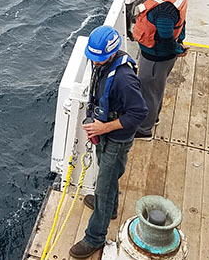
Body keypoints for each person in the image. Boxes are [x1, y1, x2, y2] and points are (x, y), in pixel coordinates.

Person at [69, 25, 148, 258]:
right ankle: (111, 208)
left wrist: (105, 127)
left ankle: (94, 237)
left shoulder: (124, 80)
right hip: (104, 135)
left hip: (116, 140)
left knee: (103, 187)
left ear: (111, 54)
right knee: (108, 173)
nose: (94, 63)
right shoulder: (103, 65)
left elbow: (139, 113)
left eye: (98, 59)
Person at [132, 0, 189, 140]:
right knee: (157, 88)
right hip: (163, 58)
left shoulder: (162, 10)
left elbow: (165, 37)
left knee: (148, 90)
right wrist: (180, 42)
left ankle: (144, 129)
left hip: (156, 58)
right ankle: (153, 117)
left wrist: (177, 49)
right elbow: (182, 24)